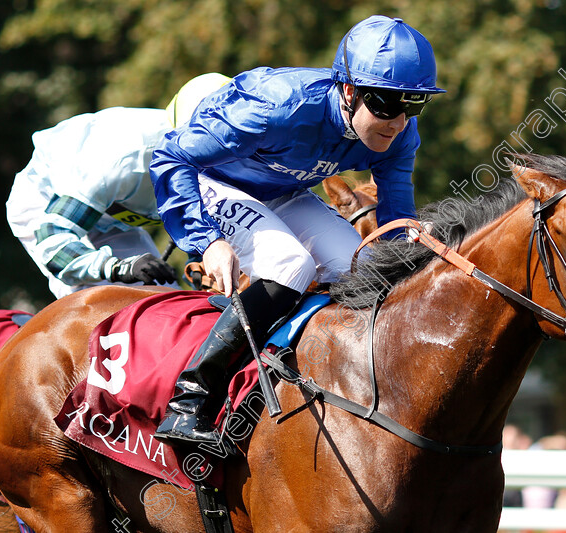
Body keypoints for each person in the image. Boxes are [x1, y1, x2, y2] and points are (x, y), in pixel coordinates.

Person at [149, 15, 445, 443]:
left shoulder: (400, 135)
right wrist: (206, 240)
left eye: (414, 104)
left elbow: (395, 218)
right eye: (386, 103)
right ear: (349, 90)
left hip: (282, 190)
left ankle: (300, 376)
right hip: (212, 179)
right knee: (290, 264)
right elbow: (172, 157)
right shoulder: (277, 107)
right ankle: (189, 401)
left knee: (360, 268)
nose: (399, 121)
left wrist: (411, 260)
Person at [6, 73, 232, 298]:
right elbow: (53, 245)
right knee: (101, 306)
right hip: (46, 204)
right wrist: (118, 268)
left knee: (167, 298)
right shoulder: (119, 162)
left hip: (112, 214)